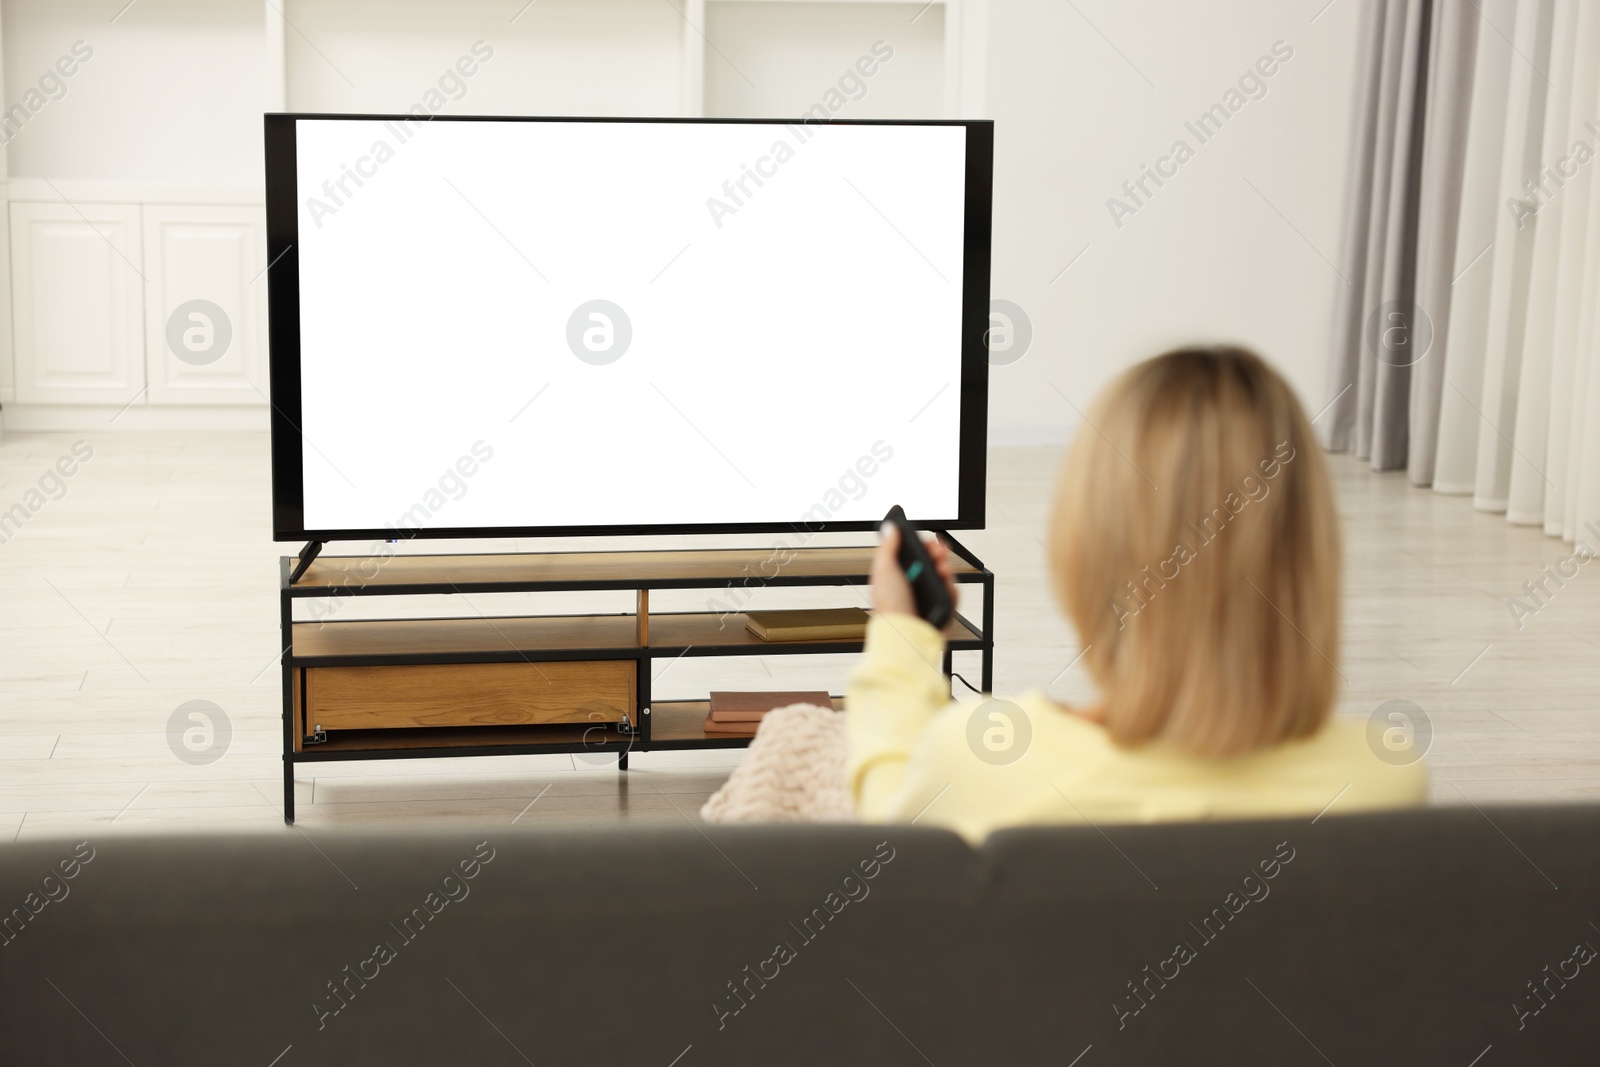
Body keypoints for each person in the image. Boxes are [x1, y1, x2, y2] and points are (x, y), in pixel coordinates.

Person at [847, 345, 1426, 841]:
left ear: (1085, 549)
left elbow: (893, 835)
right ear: (1311, 553)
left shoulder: (984, 763)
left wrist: (902, 632)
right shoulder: (1383, 781)